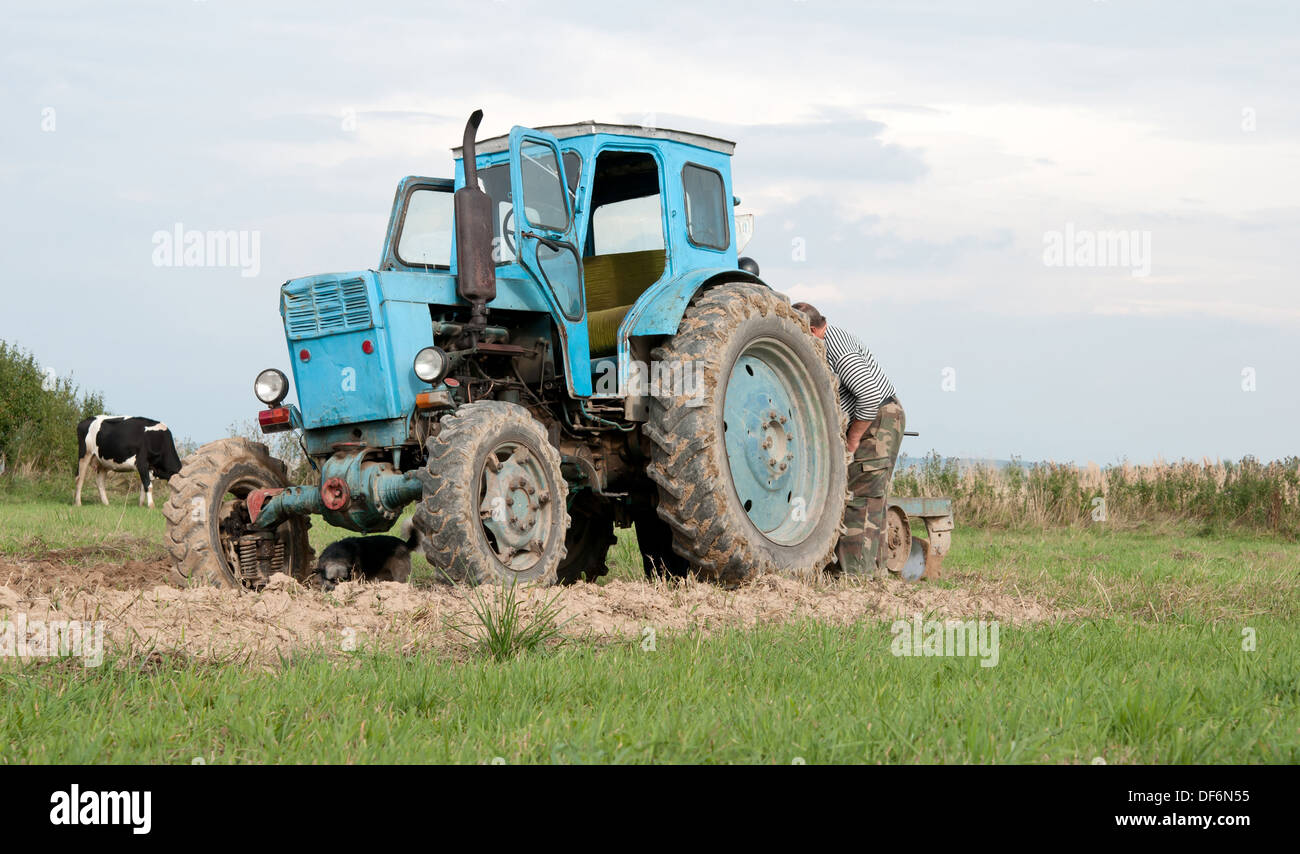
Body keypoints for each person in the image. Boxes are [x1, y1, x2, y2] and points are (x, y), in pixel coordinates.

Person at [792, 302, 905, 576]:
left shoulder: (838, 349)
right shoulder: (826, 341)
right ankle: (871, 572)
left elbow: (868, 395)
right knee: (870, 498)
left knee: (859, 495)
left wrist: (853, 441)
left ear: (815, 330)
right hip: (871, 418)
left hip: (877, 419)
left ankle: (855, 576)